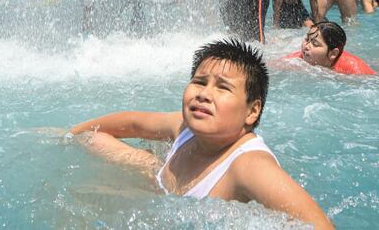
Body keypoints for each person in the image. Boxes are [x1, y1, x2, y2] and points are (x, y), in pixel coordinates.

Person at [68, 38, 333, 228]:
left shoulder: (249, 166)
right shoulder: (185, 129)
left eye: (223, 88)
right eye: (199, 82)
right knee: (91, 137)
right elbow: (134, 124)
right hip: (161, 183)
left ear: (252, 111)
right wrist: (70, 133)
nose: (204, 94)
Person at [281, 20, 376, 75]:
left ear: (333, 53)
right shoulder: (299, 57)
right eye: (307, 39)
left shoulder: (355, 69)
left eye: (315, 44)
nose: (306, 46)